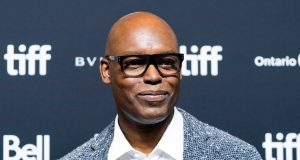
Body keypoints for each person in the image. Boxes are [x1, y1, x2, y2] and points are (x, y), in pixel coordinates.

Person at [59, 12, 262, 160]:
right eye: (135, 63)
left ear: (180, 69)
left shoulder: (238, 155)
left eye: (166, 62)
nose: (154, 76)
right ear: (106, 71)